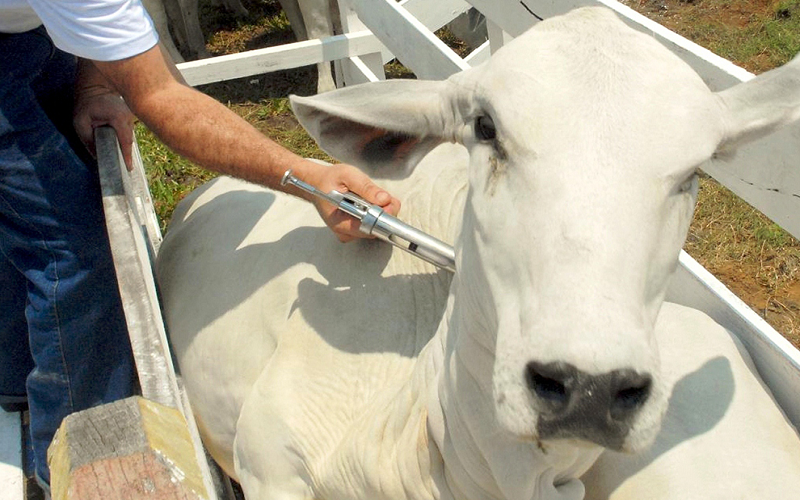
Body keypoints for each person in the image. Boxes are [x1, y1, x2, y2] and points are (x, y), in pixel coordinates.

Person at [0, 0, 401, 492]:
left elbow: (103, 33)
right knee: (74, 253)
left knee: (26, 214)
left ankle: (16, 377)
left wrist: (97, 79)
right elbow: (162, 96)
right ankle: (76, 460)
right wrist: (310, 178)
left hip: (24, 31)